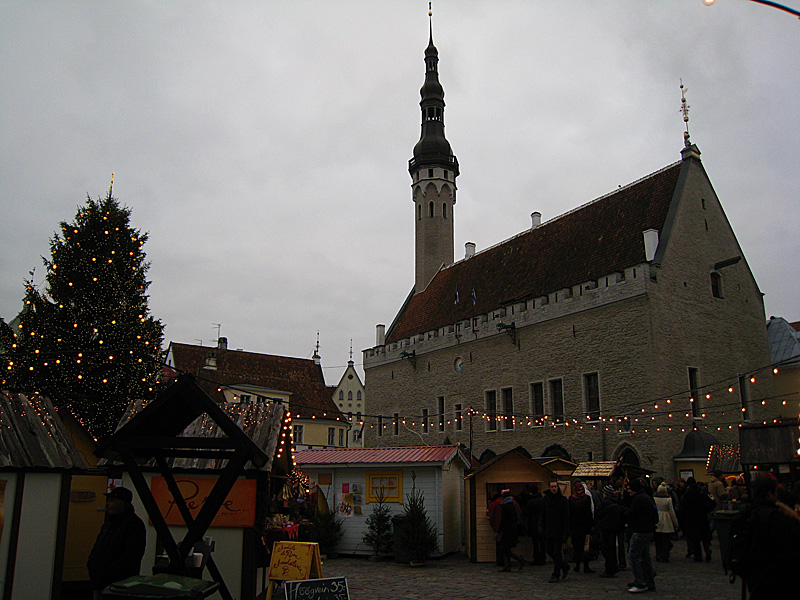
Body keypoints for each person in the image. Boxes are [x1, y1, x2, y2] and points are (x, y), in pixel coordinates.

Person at [738, 475, 800, 599]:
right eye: (776, 492)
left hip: (755, 579)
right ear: (770, 494)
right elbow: (785, 551)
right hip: (774, 580)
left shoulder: (747, 514)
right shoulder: (775, 517)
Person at [87, 486, 146, 599]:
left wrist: (107, 574)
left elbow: (131, 556)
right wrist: (91, 563)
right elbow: (98, 545)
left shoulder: (134, 525)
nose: (108, 504)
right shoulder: (109, 523)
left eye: (111, 501)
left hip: (119, 586)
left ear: (122, 503)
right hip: (100, 582)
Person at [625, 478, 657, 593]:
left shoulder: (639, 499)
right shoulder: (645, 496)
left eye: (629, 488)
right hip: (647, 530)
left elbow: (631, 514)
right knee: (645, 557)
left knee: (634, 556)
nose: (628, 491)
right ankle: (648, 581)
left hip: (640, 530)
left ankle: (641, 582)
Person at [540, 480, 570, 583]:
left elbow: (566, 517)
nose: (554, 489)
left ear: (558, 488)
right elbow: (543, 514)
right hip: (548, 530)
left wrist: (565, 533)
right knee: (549, 550)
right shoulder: (546, 500)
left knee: (557, 553)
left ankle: (556, 573)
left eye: (555, 487)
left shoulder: (563, 500)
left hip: (559, 530)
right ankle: (564, 565)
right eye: (552, 487)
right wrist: (541, 526)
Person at [678, 477, 714, 562]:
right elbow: (710, 503)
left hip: (692, 518)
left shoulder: (687, 494)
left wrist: (682, 519)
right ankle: (707, 551)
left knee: (695, 539)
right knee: (704, 537)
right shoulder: (702, 492)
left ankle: (698, 555)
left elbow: (682, 508)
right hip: (702, 517)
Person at [490, 489, 526, 571]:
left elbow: (503, 520)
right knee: (507, 548)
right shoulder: (513, 504)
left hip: (507, 531)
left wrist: (498, 531)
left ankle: (518, 560)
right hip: (513, 529)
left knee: (505, 548)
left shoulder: (504, 506)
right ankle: (508, 565)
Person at [595, 484, 625, 578]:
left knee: (607, 548)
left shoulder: (605, 503)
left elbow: (598, 512)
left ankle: (610, 569)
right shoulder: (616, 502)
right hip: (614, 528)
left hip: (606, 528)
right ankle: (613, 566)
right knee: (611, 548)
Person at [569, 482, 595, 573]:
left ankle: (577, 565)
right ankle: (585, 565)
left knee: (577, 546)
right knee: (584, 546)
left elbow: (570, 514)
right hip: (584, 525)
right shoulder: (586, 498)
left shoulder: (571, 499)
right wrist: (591, 524)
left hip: (575, 526)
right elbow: (589, 512)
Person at [654, 483, 679, 562]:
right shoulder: (668, 499)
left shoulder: (654, 498)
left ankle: (658, 554)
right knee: (665, 540)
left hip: (657, 518)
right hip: (666, 518)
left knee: (658, 540)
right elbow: (672, 511)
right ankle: (665, 555)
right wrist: (675, 523)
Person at [523, 483, 546, 565]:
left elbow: (526, 513)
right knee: (542, 542)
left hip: (533, 524)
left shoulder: (530, 502)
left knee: (535, 543)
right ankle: (543, 559)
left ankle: (536, 559)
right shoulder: (543, 500)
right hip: (543, 524)